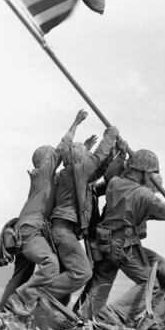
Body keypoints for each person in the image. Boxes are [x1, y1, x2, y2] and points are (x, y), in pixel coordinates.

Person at [77, 149, 165, 324]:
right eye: (151, 173)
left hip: (105, 242)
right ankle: (114, 315)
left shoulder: (115, 183)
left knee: (102, 283)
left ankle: (84, 317)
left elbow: (147, 211)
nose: (151, 177)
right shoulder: (143, 194)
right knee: (151, 284)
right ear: (143, 172)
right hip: (123, 246)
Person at [3, 110, 88, 315]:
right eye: (52, 156)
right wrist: (76, 123)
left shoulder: (49, 179)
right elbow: (61, 148)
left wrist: (85, 149)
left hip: (32, 230)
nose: (56, 158)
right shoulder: (42, 174)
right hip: (30, 230)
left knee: (21, 275)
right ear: (45, 160)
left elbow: (69, 163)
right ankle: (23, 298)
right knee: (51, 264)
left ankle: (2, 311)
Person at [43, 124, 119, 302]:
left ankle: (49, 307)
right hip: (63, 231)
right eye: (87, 157)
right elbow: (98, 159)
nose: (89, 159)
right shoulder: (77, 171)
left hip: (61, 231)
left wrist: (115, 153)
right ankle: (41, 295)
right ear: (80, 160)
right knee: (82, 272)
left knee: (68, 274)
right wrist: (110, 135)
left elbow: (99, 169)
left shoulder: (68, 174)